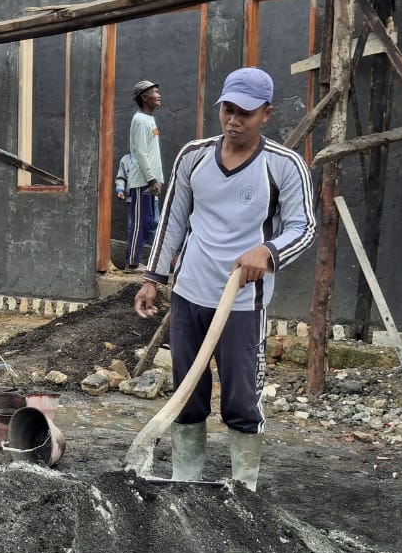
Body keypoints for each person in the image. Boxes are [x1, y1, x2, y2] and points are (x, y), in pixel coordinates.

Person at [134, 67, 315, 490]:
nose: (234, 121)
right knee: (186, 392)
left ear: (266, 114)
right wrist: (152, 278)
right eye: (227, 110)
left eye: (245, 114)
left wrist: (268, 251)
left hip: (242, 302)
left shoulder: (283, 165)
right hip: (189, 294)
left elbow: (303, 227)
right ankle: (185, 483)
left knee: (241, 399)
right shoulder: (193, 156)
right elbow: (173, 219)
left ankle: (243, 491)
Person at [126, 79, 165, 270]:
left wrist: (157, 179)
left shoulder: (149, 119)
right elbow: (141, 153)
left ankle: (137, 261)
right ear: (144, 97)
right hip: (142, 181)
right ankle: (132, 263)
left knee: (149, 221)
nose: (158, 95)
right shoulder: (140, 120)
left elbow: (152, 153)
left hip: (150, 181)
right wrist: (151, 179)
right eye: (155, 92)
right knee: (140, 222)